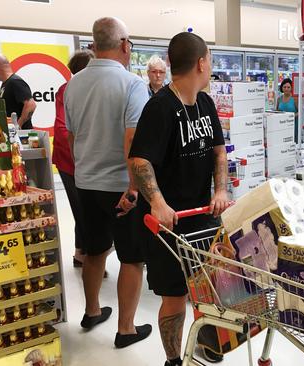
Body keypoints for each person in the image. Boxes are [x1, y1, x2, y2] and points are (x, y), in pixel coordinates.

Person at [128, 32, 231, 366]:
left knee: (209, 283)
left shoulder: (206, 103)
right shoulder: (160, 108)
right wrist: (157, 203)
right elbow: (139, 160)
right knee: (174, 296)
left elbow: (218, 152)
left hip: (202, 216)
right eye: (210, 61)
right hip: (167, 224)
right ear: (201, 63)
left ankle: (205, 339)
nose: (210, 67)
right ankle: (174, 359)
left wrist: (220, 190)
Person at [64, 17, 151, 348]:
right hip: (119, 186)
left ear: (94, 45)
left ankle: (91, 311)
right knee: (131, 257)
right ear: (125, 44)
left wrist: (86, 167)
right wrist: (133, 188)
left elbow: (72, 137)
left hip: (86, 182)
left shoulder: (74, 83)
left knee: (94, 249)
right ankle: (126, 329)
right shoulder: (132, 84)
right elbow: (132, 142)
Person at [52, 49, 94, 268]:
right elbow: (61, 129)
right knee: (84, 211)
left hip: (83, 162)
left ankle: (80, 253)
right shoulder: (67, 90)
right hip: (71, 162)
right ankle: (89, 258)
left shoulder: (89, 89)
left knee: (84, 210)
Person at [0, 55, 36, 129]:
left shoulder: (15, 82)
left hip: (21, 136)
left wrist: (18, 124)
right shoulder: (6, 84)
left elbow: (31, 105)